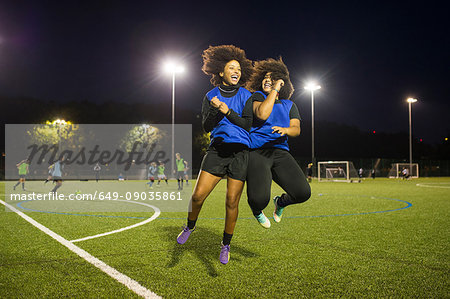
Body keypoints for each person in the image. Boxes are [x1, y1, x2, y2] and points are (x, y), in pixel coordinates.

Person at [176, 45, 253, 265]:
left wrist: (226, 110)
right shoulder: (210, 95)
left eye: (238, 68)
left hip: (240, 153)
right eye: (231, 67)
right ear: (221, 72)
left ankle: (225, 244)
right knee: (198, 195)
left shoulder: (246, 95)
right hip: (217, 150)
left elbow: (247, 124)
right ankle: (190, 226)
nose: (236, 70)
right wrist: (215, 111)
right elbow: (206, 127)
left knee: (231, 202)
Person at [245, 57, 311, 229]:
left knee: (303, 193)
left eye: (272, 77)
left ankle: (280, 202)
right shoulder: (256, 97)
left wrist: (286, 130)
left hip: (280, 152)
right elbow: (262, 115)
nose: (267, 79)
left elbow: (296, 128)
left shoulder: (289, 105)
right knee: (259, 199)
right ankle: (257, 210)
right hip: (258, 152)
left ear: (282, 82)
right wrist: (273, 90)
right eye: (265, 77)